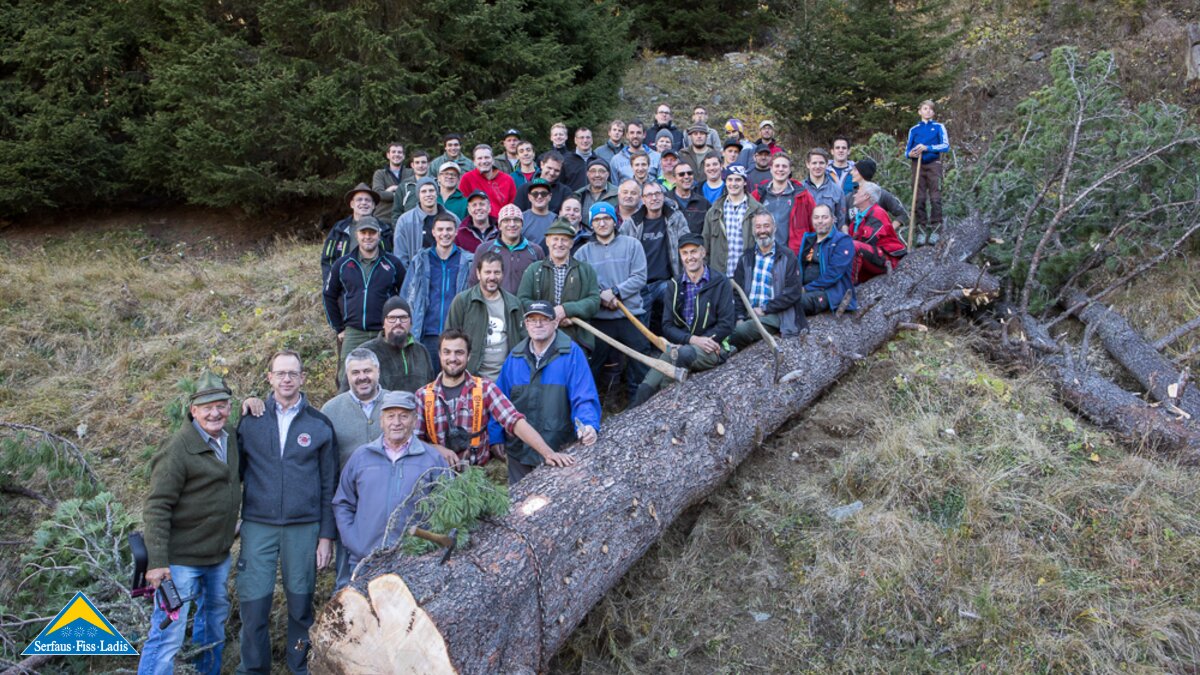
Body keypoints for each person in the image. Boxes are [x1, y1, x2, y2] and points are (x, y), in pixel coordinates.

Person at [236, 350, 337, 675]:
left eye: (293, 373)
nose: (287, 379)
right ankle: (253, 669)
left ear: (303, 378)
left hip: (303, 528)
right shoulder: (250, 420)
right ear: (270, 378)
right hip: (258, 525)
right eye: (280, 373)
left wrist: (326, 535)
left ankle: (300, 667)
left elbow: (329, 485)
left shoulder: (319, 425)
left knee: (300, 607)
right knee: (254, 607)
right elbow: (233, 473)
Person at [139, 371, 240, 675]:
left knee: (213, 627)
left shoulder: (230, 437)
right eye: (207, 407)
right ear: (193, 410)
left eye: (221, 405)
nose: (215, 413)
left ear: (229, 407)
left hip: (218, 556)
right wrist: (157, 562)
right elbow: (157, 506)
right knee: (167, 634)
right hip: (180, 562)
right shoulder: (177, 448)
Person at [332, 391, 451, 583]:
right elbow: (343, 503)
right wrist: (354, 542)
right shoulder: (361, 456)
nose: (396, 422)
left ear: (414, 420)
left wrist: (426, 547)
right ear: (381, 421)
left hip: (414, 563)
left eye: (403, 416)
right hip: (365, 561)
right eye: (390, 416)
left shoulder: (432, 459)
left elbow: (447, 509)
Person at [416, 329, 562, 468]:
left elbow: (514, 421)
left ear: (469, 356)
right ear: (440, 355)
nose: (452, 358)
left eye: (459, 352)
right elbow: (413, 441)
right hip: (436, 476)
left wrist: (548, 453)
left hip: (478, 475)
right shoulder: (422, 396)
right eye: (447, 352)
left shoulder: (485, 388)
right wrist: (435, 449)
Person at [493, 300, 599, 484]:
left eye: (544, 319)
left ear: (555, 323)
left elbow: (584, 397)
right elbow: (499, 402)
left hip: (560, 450)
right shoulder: (515, 357)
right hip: (520, 452)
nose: (538, 324)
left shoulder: (571, 354)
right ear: (526, 324)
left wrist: (588, 425)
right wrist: (495, 437)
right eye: (532, 320)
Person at [633, 235, 736, 406]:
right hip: (679, 347)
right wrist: (691, 339)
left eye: (694, 252)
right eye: (685, 253)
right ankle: (632, 412)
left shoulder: (720, 282)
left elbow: (727, 324)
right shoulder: (674, 285)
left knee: (682, 356)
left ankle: (666, 405)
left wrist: (703, 341)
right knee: (646, 387)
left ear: (703, 252)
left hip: (713, 348)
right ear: (680, 256)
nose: (690, 257)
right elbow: (667, 326)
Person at [320, 348, 389, 591]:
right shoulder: (331, 410)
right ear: (346, 375)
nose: (362, 377)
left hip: (390, 505)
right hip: (349, 507)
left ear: (377, 371)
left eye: (367, 371)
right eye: (355, 372)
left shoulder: (395, 404)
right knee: (347, 579)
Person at [575, 202, 651, 400]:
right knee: (592, 366)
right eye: (597, 220)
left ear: (615, 220)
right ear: (591, 224)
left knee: (641, 364)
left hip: (630, 315)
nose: (602, 223)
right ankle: (591, 405)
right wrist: (600, 295)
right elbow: (581, 283)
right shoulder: (582, 253)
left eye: (606, 218)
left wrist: (616, 292)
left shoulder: (632, 245)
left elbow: (639, 277)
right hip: (599, 320)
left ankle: (641, 404)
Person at [323, 218, 406, 382]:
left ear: (379, 235)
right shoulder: (342, 264)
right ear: (357, 235)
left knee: (388, 377)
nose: (368, 236)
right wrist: (339, 328)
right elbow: (328, 295)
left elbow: (406, 295)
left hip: (384, 332)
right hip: (353, 333)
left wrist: (399, 325)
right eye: (364, 232)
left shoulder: (393, 263)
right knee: (346, 378)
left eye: (372, 232)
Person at [402, 213, 474, 370]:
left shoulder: (468, 261)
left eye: (449, 229)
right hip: (427, 334)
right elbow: (407, 296)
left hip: (456, 334)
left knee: (454, 378)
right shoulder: (420, 260)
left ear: (456, 232)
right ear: (433, 232)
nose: (445, 233)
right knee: (427, 379)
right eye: (440, 229)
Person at [518, 219, 601, 353]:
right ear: (547, 241)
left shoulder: (586, 270)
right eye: (555, 239)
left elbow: (594, 301)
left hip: (576, 338)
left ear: (571, 243)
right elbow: (522, 300)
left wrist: (566, 310)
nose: (559, 244)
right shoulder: (533, 269)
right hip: (540, 339)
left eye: (564, 240)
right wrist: (549, 314)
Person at [729, 212, 808, 350]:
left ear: (774, 228)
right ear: (753, 230)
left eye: (766, 226)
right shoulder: (746, 258)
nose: (762, 231)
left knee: (739, 332)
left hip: (776, 315)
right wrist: (740, 317)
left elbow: (793, 292)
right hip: (749, 314)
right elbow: (737, 292)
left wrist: (765, 309)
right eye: (758, 226)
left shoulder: (787, 256)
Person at [620, 181, 690, 332]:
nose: (654, 198)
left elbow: (687, 247)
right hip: (640, 285)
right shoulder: (632, 223)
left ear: (663, 196)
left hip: (666, 282)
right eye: (649, 195)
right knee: (640, 332)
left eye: (658, 194)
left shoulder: (675, 218)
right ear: (643, 199)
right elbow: (619, 253)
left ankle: (680, 341)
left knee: (676, 315)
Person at [445, 250, 526, 379]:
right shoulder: (462, 301)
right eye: (487, 272)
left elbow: (523, 341)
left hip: (506, 378)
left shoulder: (514, 303)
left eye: (497, 272)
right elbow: (449, 340)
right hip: (472, 378)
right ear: (478, 274)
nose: (492, 277)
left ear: (503, 274)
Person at [351, 297, 435, 394]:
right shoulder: (365, 352)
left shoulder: (421, 351)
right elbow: (348, 394)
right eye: (392, 318)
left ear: (411, 323)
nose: (398, 322)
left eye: (403, 318)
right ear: (383, 323)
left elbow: (431, 390)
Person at [701, 165, 767, 278]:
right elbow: (705, 244)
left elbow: (765, 245)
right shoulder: (715, 210)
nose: (733, 183)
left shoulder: (757, 210)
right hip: (719, 275)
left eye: (738, 180)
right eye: (730, 179)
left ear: (744, 182)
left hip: (747, 275)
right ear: (725, 182)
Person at [321, 184, 393, 284]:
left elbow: (392, 258)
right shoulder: (339, 229)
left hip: (377, 284)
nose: (363, 203)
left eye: (367, 200)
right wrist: (331, 283)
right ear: (352, 204)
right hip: (345, 285)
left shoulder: (384, 230)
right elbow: (327, 260)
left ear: (373, 205)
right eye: (359, 200)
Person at [468, 203, 544, 295]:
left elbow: (542, 283)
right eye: (506, 220)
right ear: (499, 226)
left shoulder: (536, 251)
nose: (512, 224)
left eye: (516, 220)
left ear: (522, 225)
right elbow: (473, 282)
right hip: (493, 302)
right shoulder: (484, 249)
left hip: (524, 303)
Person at [796, 204, 857, 314]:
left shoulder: (843, 241)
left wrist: (805, 289)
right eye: (816, 217)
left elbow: (833, 273)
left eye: (824, 217)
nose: (820, 221)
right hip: (805, 288)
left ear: (833, 219)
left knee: (794, 302)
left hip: (829, 293)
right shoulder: (809, 240)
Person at [904, 100, 950, 244]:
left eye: (930, 109)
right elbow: (907, 150)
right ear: (920, 111)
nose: (928, 111)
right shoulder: (914, 129)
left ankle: (936, 229)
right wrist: (910, 154)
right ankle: (921, 230)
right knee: (919, 197)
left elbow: (945, 146)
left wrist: (927, 148)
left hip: (933, 164)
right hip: (917, 164)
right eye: (925, 109)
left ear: (933, 112)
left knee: (935, 197)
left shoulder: (938, 127)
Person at [848, 181, 907, 283]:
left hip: (886, 259)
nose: (854, 195)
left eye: (858, 192)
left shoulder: (878, 213)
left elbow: (868, 240)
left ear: (866, 196)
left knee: (853, 246)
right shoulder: (856, 219)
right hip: (869, 258)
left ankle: (848, 285)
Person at [394, 177, 460, 265]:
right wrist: (410, 273)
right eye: (423, 191)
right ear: (418, 195)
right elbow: (400, 256)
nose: (428, 194)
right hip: (417, 271)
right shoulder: (405, 221)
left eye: (431, 190)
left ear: (437, 193)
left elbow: (461, 248)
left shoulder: (453, 218)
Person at [752, 153, 804, 251]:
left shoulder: (802, 195)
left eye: (784, 166)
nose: (780, 169)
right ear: (771, 169)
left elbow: (811, 225)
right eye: (777, 166)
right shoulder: (758, 194)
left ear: (790, 170)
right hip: (762, 252)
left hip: (790, 254)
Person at [457, 144, 516, 218]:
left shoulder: (507, 179)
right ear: (474, 162)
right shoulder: (467, 179)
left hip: (502, 222)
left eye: (487, 157)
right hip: (477, 222)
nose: (484, 161)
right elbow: (464, 206)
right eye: (480, 158)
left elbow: (512, 206)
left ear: (493, 160)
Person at [850, 158, 908, 226]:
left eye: (855, 170)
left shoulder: (882, 194)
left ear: (863, 172)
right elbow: (844, 222)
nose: (851, 172)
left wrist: (889, 230)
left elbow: (902, 214)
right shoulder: (850, 196)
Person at [801, 148, 847, 228]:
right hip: (805, 234)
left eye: (821, 163)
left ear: (827, 164)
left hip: (829, 235)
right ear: (808, 164)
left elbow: (841, 222)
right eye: (814, 163)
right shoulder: (799, 189)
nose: (818, 166)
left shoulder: (837, 191)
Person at [371, 142, 412, 225]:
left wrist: (389, 191)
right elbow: (378, 194)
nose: (396, 154)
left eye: (399, 152)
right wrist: (402, 194)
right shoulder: (380, 174)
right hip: (383, 218)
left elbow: (413, 194)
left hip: (406, 219)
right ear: (388, 155)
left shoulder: (411, 173)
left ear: (403, 156)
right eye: (393, 152)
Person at [667, 161, 710, 235]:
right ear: (674, 178)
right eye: (681, 174)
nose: (686, 177)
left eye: (689, 173)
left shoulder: (703, 203)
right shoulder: (665, 201)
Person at [521, 178, 558, 246]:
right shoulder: (521, 218)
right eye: (535, 194)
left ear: (550, 196)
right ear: (529, 197)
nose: (539, 196)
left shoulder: (556, 220)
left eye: (544, 193)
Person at [561, 126, 600, 191]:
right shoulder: (565, 161)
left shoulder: (599, 161)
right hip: (572, 197)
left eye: (588, 137)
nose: (585, 140)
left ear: (592, 140)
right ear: (575, 140)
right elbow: (560, 185)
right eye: (581, 137)